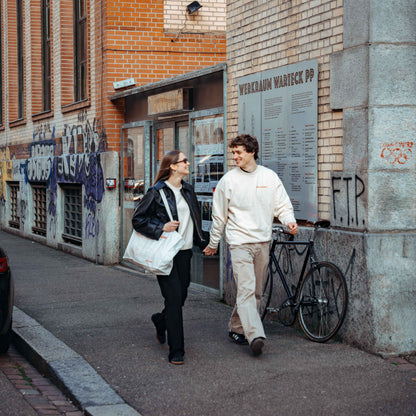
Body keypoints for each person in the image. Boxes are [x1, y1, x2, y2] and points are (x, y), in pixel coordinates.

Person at [203, 134, 298, 356]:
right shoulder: (228, 180)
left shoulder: (269, 177)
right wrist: (213, 243)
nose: (234, 156)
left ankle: (236, 327)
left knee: (255, 292)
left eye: (239, 152)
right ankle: (254, 334)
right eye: (233, 152)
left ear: (252, 152)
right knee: (246, 289)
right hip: (239, 243)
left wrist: (289, 221)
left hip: (262, 242)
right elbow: (219, 217)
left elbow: (281, 205)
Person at [132, 150, 205, 365]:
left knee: (180, 297)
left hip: (184, 252)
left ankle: (160, 320)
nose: (188, 163)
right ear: (172, 166)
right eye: (184, 161)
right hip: (166, 253)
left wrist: (205, 243)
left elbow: (195, 221)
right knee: (173, 299)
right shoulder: (156, 192)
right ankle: (176, 350)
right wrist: (161, 226)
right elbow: (138, 219)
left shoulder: (188, 190)